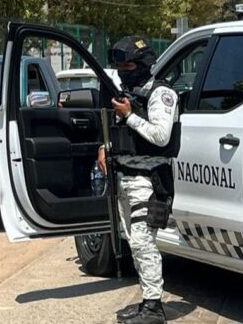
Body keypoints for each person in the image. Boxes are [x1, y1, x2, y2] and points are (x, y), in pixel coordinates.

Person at [97, 37, 180, 324]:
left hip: (151, 179)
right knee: (134, 242)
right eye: (118, 65)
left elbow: (160, 136)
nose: (122, 70)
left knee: (144, 242)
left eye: (128, 64)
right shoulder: (127, 93)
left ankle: (154, 308)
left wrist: (129, 116)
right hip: (126, 177)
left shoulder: (161, 94)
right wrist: (104, 148)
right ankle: (147, 302)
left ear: (143, 64)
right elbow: (120, 132)